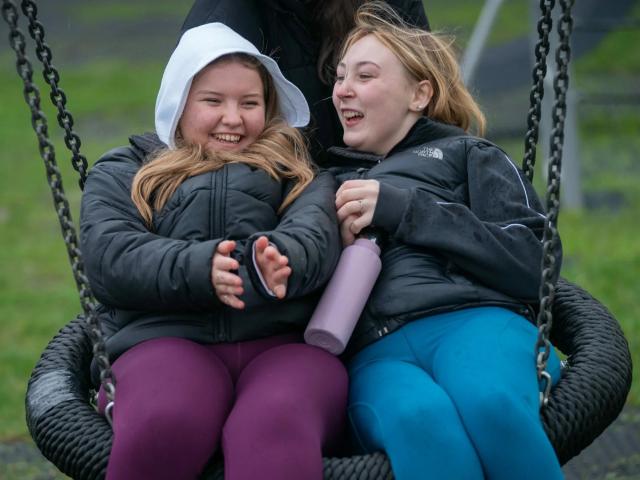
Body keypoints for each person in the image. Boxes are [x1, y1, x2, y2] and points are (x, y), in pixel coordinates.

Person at [79, 22, 346, 480]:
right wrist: (201, 267)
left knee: (274, 427)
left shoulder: (298, 172)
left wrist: (278, 262)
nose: (233, 119)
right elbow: (111, 256)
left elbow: (314, 236)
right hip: (164, 340)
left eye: (249, 103)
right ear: (179, 104)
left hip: (285, 344)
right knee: (165, 420)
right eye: (213, 101)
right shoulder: (127, 172)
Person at [326, 3, 565, 479]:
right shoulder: (324, 181)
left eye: (365, 76)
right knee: (420, 422)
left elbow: (536, 262)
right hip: (378, 350)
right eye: (339, 77)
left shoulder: (466, 155)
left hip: (476, 322)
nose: (342, 91)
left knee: (489, 402)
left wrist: (407, 211)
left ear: (419, 94)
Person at [179, 0, 430, 165]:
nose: (343, 91)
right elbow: (198, 139)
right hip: (284, 199)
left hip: (392, 185)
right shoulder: (223, 19)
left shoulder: (389, 6)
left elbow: (430, 103)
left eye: (365, 75)